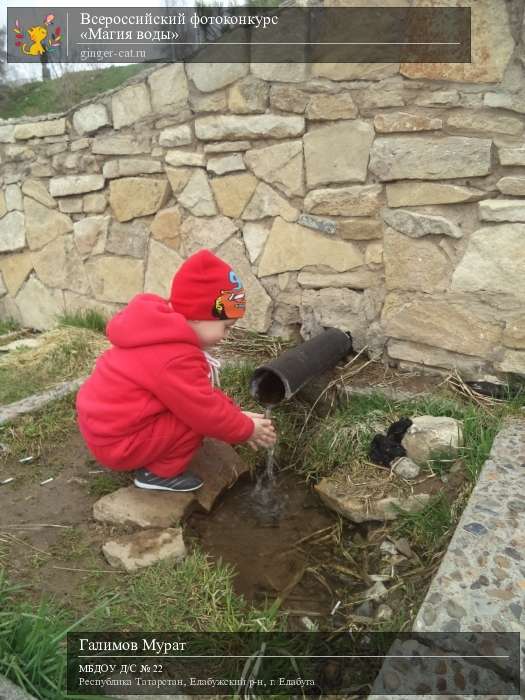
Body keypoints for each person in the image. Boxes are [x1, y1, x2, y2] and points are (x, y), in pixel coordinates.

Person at [76, 248, 277, 493]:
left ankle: (149, 451)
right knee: (192, 421)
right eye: (226, 327)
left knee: (189, 410)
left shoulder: (159, 334)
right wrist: (245, 430)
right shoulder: (174, 357)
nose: (227, 336)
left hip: (108, 430)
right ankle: (158, 475)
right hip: (119, 444)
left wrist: (235, 414)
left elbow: (200, 394)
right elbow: (203, 412)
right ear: (196, 318)